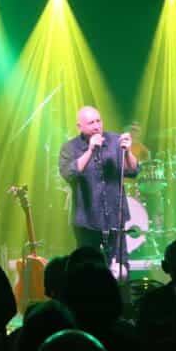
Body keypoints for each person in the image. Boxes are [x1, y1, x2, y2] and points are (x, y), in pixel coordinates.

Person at [58, 105, 139, 272]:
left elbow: (133, 171)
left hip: (116, 216)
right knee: (87, 270)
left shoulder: (115, 141)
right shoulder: (70, 148)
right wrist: (90, 150)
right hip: (87, 220)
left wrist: (128, 152)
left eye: (98, 121)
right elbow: (69, 174)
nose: (96, 126)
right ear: (80, 126)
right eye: (91, 123)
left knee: (121, 269)